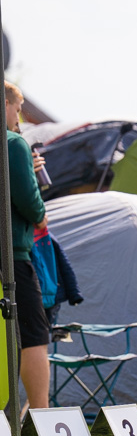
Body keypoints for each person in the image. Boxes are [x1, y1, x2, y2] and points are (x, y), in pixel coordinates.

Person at [5, 81, 50, 411]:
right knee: (33, 335)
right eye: (17, 110)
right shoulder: (14, 144)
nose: (18, 119)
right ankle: (40, 414)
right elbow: (30, 205)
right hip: (12, 257)